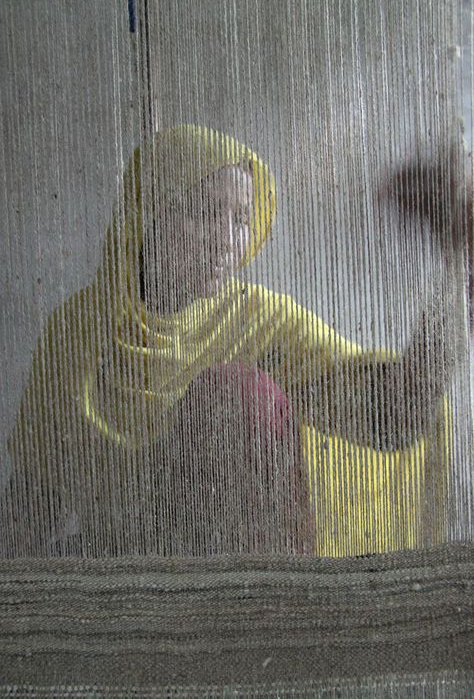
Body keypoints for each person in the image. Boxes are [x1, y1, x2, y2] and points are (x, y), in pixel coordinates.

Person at [1, 125, 467, 559]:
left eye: (242, 218)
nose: (225, 240)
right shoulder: (78, 332)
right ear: (145, 216)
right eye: (201, 212)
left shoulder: (259, 326)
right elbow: (34, 500)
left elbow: (395, 415)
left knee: (235, 393)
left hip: (245, 584)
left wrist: (460, 264)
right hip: (135, 571)